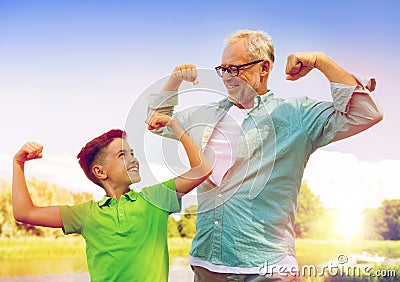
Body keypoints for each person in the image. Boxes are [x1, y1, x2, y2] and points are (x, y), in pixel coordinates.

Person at [147, 29, 383, 281]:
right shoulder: (205, 116)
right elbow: (155, 121)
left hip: (267, 268)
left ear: (264, 68)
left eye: (235, 69)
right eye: (223, 69)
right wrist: (175, 80)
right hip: (207, 265)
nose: (227, 77)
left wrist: (319, 61)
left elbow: (366, 112)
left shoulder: (295, 114)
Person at [12, 112, 212, 282]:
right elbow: (25, 212)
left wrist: (174, 125)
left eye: (132, 153)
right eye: (122, 155)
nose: (133, 159)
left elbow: (202, 169)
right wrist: (18, 164)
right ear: (100, 172)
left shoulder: (155, 199)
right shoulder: (85, 214)